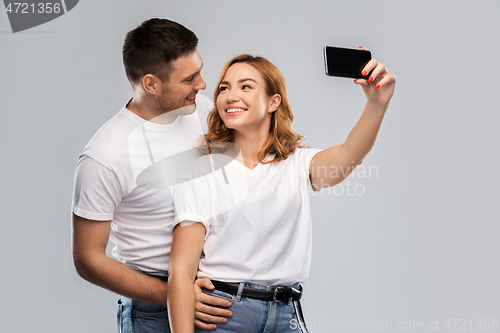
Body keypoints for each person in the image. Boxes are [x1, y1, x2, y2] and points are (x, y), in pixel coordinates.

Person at [167, 52, 396, 333]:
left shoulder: (298, 164)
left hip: (286, 313)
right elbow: (181, 271)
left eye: (246, 86)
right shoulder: (202, 171)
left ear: (273, 101)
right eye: (224, 88)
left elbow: (350, 153)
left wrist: (377, 104)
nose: (230, 95)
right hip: (224, 313)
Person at [71, 18, 232, 333]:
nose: (202, 84)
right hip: (154, 308)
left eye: (200, 71)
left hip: (216, 289)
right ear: (151, 83)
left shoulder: (199, 108)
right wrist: (176, 296)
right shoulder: (105, 157)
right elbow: (88, 259)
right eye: (190, 78)